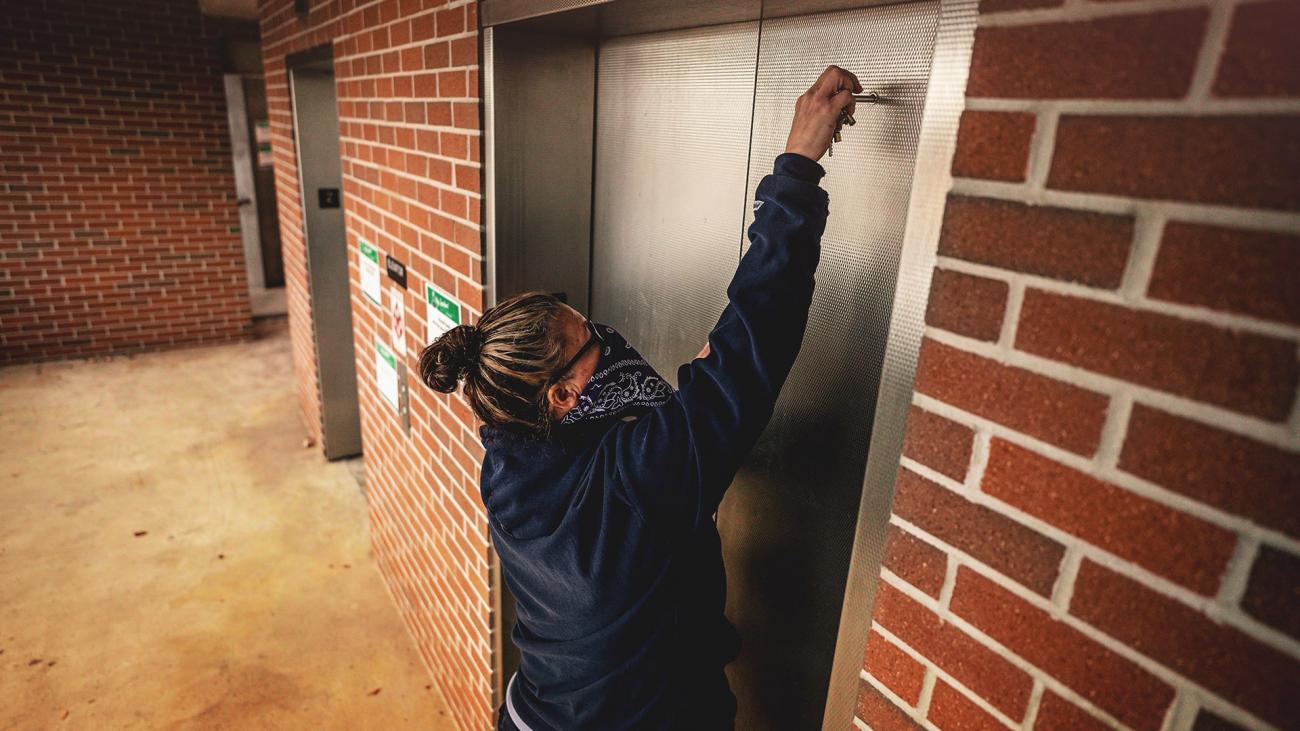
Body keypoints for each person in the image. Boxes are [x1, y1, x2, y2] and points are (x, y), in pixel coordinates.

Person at [419, 65, 862, 731]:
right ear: (565, 392)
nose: (609, 334)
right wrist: (796, 170)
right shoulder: (641, 473)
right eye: (591, 337)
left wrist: (678, 411)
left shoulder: (508, 462)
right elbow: (753, 345)